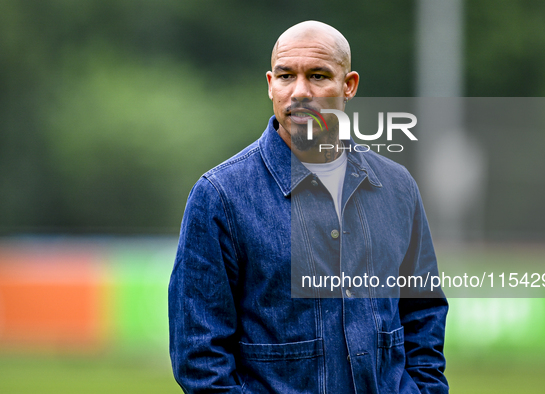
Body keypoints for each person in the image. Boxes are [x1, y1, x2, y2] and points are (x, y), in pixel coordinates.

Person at [169, 20, 448, 394]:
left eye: (317, 76)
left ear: (348, 86)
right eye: (286, 76)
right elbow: (200, 359)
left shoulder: (397, 187)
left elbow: (423, 316)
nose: (299, 92)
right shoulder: (219, 196)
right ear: (270, 84)